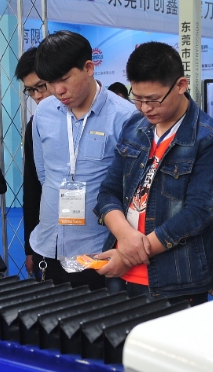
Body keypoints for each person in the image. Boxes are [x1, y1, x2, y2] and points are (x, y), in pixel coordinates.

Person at [95, 42, 213, 304]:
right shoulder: (134, 126)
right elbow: (108, 191)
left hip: (175, 279)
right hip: (120, 273)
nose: (145, 108)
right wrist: (124, 237)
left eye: (153, 100)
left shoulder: (210, 138)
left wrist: (129, 256)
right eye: (138, 99)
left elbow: (198, 213)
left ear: (181, 85)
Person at [30, 30, 135, 288]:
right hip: (49, 246)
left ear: (88, 68)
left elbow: (132, 191)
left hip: (99, 251)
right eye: (49, 83)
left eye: (64, 79)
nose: (58, 90)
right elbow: (43, 174)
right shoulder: (43, 112)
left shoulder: (125, 117)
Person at [18, 47, 49, 277]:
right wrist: (30, 249)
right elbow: (32, 187)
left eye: (41, 86)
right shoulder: (35, 125)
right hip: (48, 238)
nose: (37, 96)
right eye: (31, 90)